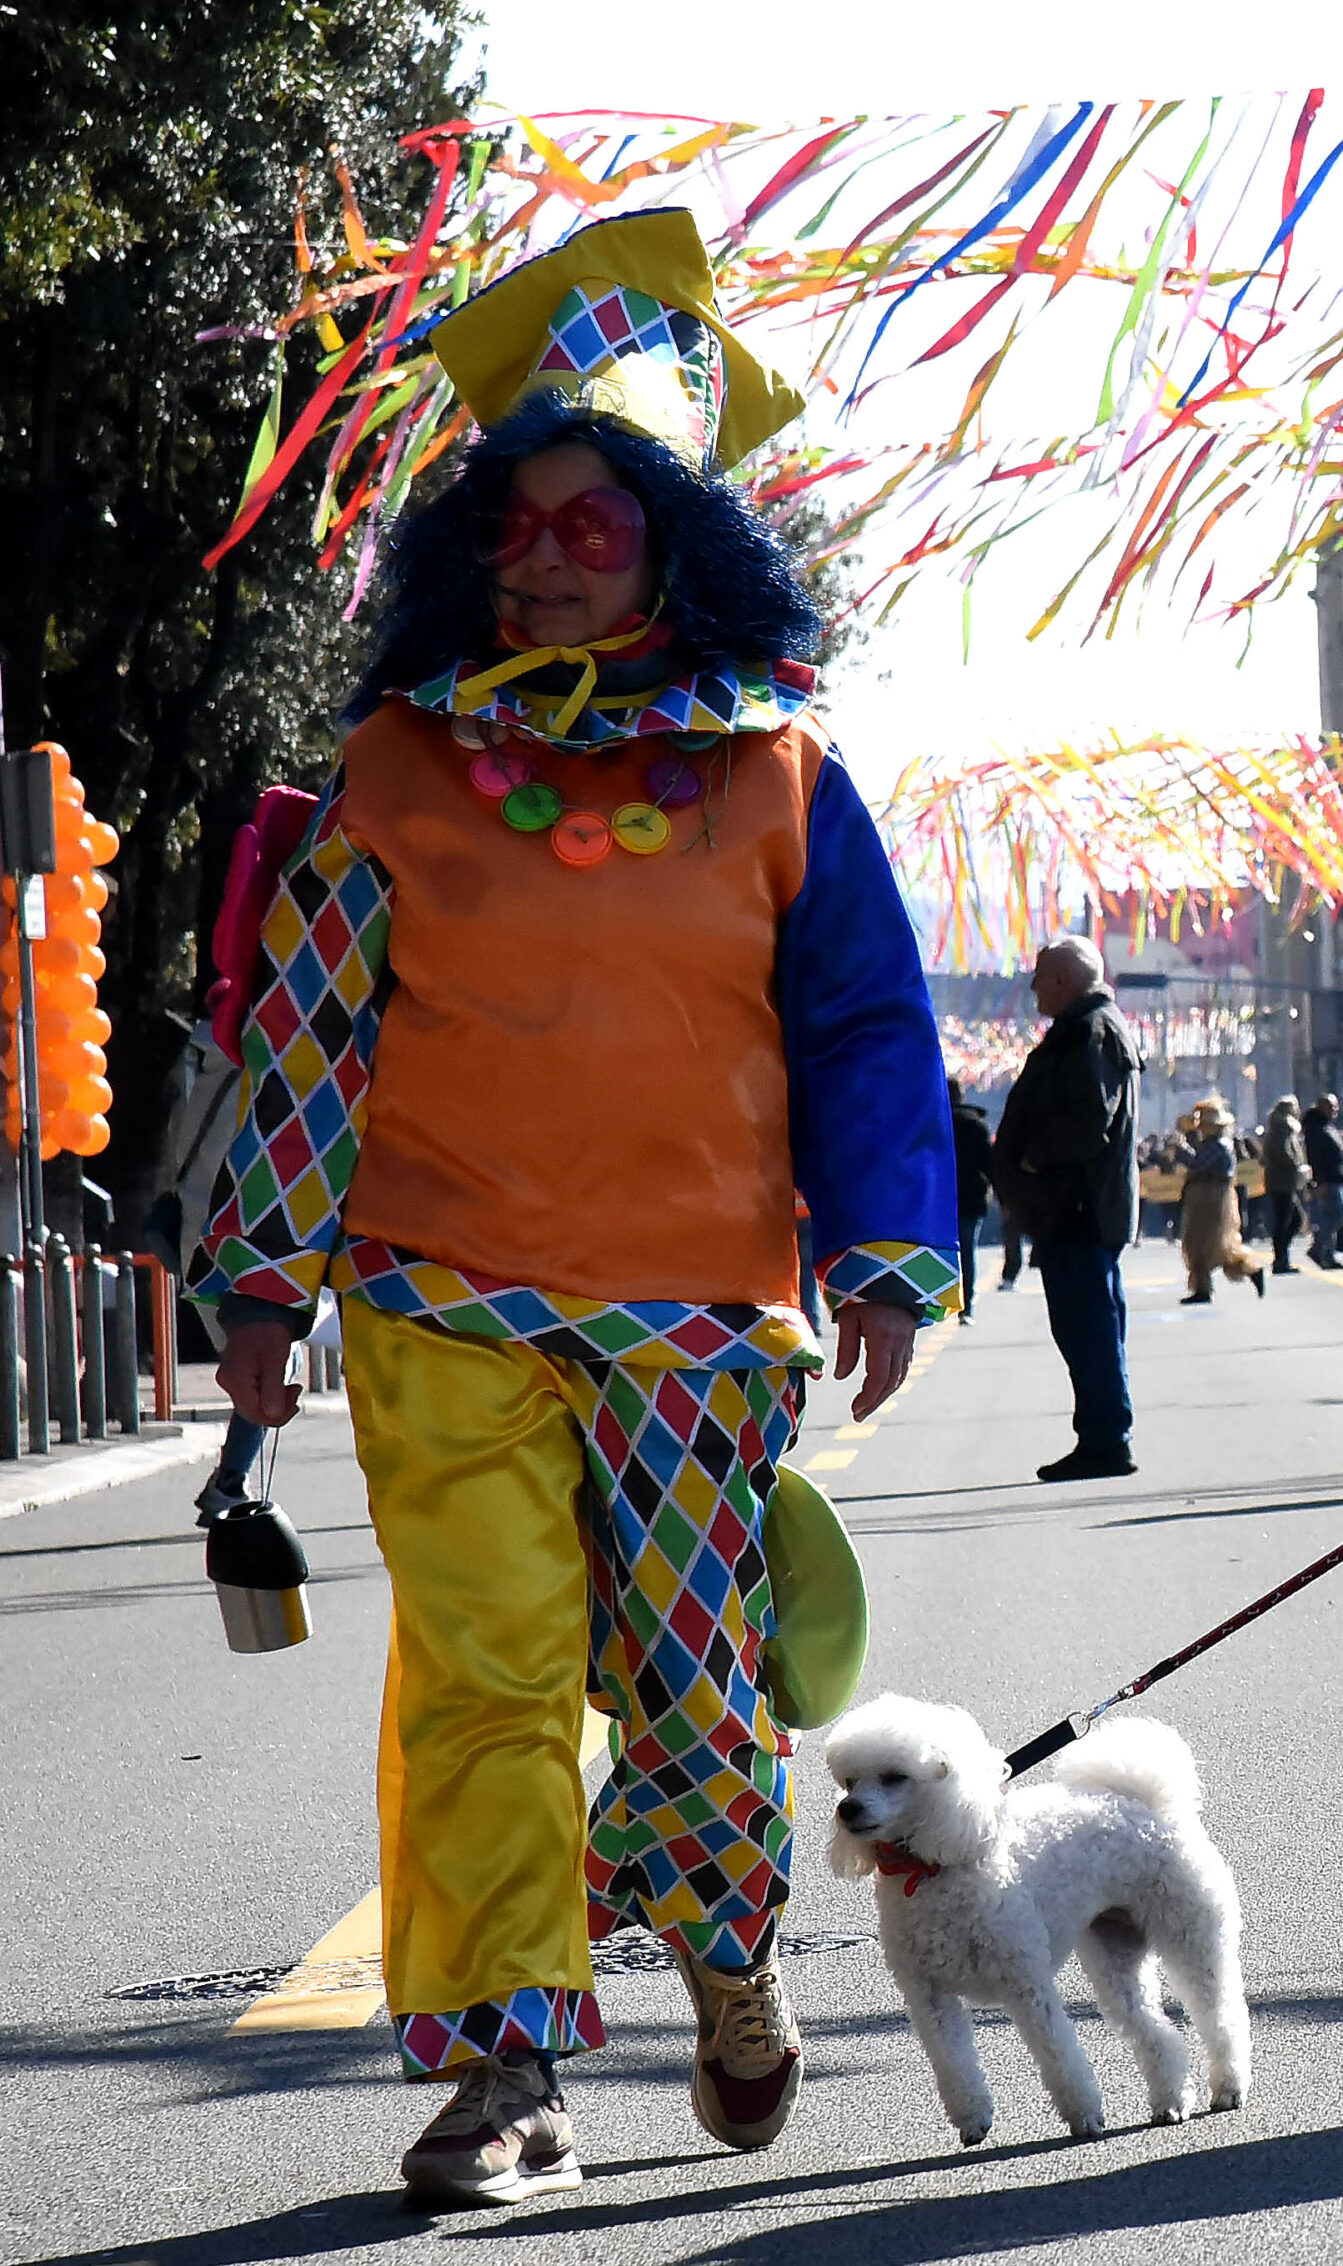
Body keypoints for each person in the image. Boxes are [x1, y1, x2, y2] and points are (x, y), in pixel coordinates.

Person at [187, 211, 958, 2204]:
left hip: (696, 1319)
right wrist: (261, 1282)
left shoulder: (780, 774)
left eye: (586, 521)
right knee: (487, 1684)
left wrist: (883, 1246)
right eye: (511, 521)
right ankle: (503, 2065)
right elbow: (309, 1038)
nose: (539, 550)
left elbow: (867, 1026)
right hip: (441, 1300)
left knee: (701, 1693)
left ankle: (724, 1952)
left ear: (673, 544)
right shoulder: (394, 762)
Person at [993, 937, 1140, 1481]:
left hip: (1077, 1212)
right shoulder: (1087, 1028)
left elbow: (1087, 1124)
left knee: (1088, 1328)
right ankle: (1102, 1434)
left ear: (1063, 980)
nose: (1033, 987)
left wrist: (1033, 1158)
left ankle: (1105, 1440)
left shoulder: (1090, 1032)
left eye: (1040, 975)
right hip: (1077, 1212)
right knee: (1087, 1328)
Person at [147, 1015, 268, 1516]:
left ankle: (229, 1479)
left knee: (249, 1363)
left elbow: (176, 1157)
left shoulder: (199, 1079)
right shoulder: (259, 1080)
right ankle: (229, 1480)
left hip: (198, 1239)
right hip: (242, 1237)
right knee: (264, 1365)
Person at [1177, 1099, 1266, 1304]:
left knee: (1205, 1244)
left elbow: (1198, 1165)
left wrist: (1182, 1152)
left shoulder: (1219, 1145)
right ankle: (1205, 1286)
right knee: (1212, 1245)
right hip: (1206, 1195)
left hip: (1211, 1197)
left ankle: (1206, 1287)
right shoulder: (1212, 1144)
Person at [949, 1079, 996, 1320]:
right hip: (971, 1198)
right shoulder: (975, 1124)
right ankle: (965, 1306)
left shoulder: (933, 1125)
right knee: (967, 1253)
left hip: (939, 1201)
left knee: (941, 1252)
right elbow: (990, 1164)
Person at [1304, 1093, 1343, 1270]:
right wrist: (1320, 1181)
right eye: (1332, 1107)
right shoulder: (1316, 1129)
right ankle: (1318, 1249)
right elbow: (1317, 1158)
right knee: (1339, 1215)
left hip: (1336, 1179)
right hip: (1328, 1181)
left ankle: (1328, 1255)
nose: (1335, 1110)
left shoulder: (1326, 1127)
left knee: (1332, 1216)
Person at [1262, 1095, 1308, 1274]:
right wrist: (1296, 1165)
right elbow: (1282, 1152)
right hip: (1281, 1181)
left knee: (1292, 1219)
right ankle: (1280, 1258)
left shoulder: (1283, 1128)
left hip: (1283, 1181)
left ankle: (1282, 1256)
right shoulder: (1281, 1128)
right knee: (1287, 1220)